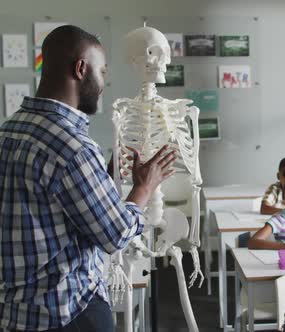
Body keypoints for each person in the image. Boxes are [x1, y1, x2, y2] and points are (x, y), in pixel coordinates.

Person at [0, 25, 175, 332]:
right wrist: (145, 187)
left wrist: (103, 175)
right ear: (81, 68)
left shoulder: (10, 130)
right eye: (102, 71)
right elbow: (116, 234)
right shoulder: (72, 147)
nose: (104, 82)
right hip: (68, 313)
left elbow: (49, 207)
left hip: (16, 315)